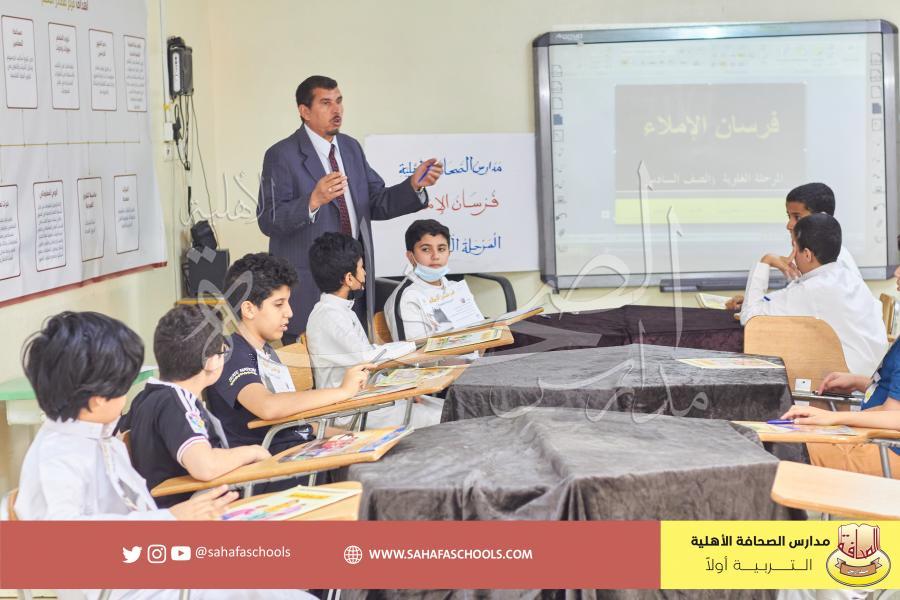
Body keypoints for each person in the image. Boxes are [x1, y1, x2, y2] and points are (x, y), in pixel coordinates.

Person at [257, 75, 443, 338]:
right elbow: (269, 219)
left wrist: (413, 186)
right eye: (326, 103)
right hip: (310, 287)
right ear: (305, 111)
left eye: (339, 101)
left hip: (355, 284)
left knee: (357, 358)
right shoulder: (282, 155)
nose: (337, 110)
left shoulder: (350, 148)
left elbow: (376, 201)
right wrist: (312, 201)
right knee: (312, 362)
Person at [206, 253, 369, 458]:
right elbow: (268, 407)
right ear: (249, 309)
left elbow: (295, 423)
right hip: (271, 465)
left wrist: (353, 437)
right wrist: (343, 391)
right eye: (278, 304)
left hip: (301, 449)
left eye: (288, 302)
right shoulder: (230, 354)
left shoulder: (266, 352)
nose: (290, 312)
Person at [119, 306, 270, 507]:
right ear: (211, 362)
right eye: (224, 350)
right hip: (194, 510)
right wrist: (252, 452)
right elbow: (205, 466)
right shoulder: (176, 404)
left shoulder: (146, 397)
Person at [739, 213, 886, 376]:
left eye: (794, 247)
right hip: (875, 376)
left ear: (807, 255)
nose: (791, 255)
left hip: (847, 382)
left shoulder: (813, 289)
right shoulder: (848, 277)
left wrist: (766, 260)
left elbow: (750, 318)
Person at [727, 182, 862, 311]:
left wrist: (767, 260)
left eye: (797, 217)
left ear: (821, 218)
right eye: (789, 216)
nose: (789, 225)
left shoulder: (835, 264)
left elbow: (752, 314)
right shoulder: (813, 255)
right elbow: (794, 297)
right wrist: (760, 301)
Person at [305, 232, 415, 390]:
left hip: (364, 391)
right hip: (349, 401)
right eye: (361, 268)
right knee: (434, 404)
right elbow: (367, 357)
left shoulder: (340, 309)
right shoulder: (330, 315)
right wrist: (412, 347)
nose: (364, 273)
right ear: (349, 278)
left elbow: (367, 354)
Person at [385, 219, 485, 341]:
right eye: (426, 249)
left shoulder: (456, 288)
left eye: (441, 249)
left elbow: (478, 331)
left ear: (449, 253)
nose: (436, 256)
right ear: (411, 257)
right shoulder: (407, 298)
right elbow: (414, 350)